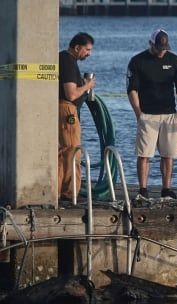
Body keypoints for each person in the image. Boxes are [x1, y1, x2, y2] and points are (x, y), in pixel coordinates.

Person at [127, 29, 177, 200]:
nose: (162, 51)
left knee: (169, 154)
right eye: (159, 47)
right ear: (151, 43)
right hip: (147, 114)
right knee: (144, 154)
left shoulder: (175, 61)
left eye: (165, 47)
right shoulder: (137, 61)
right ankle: (143, 189)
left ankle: (166, 189)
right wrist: (139, 114)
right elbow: (132, 90)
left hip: (170, 115)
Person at [58, 32, 96, 201]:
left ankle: (59, 190)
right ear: (77, 47)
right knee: (73, 151)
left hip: (60, 110)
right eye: (87, 50)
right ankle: (70, 193)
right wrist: (87, 85)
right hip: (67, 111)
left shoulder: (64, 59)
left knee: (62, 151)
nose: (89, 53)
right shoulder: (68, 62)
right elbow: (71, 94)